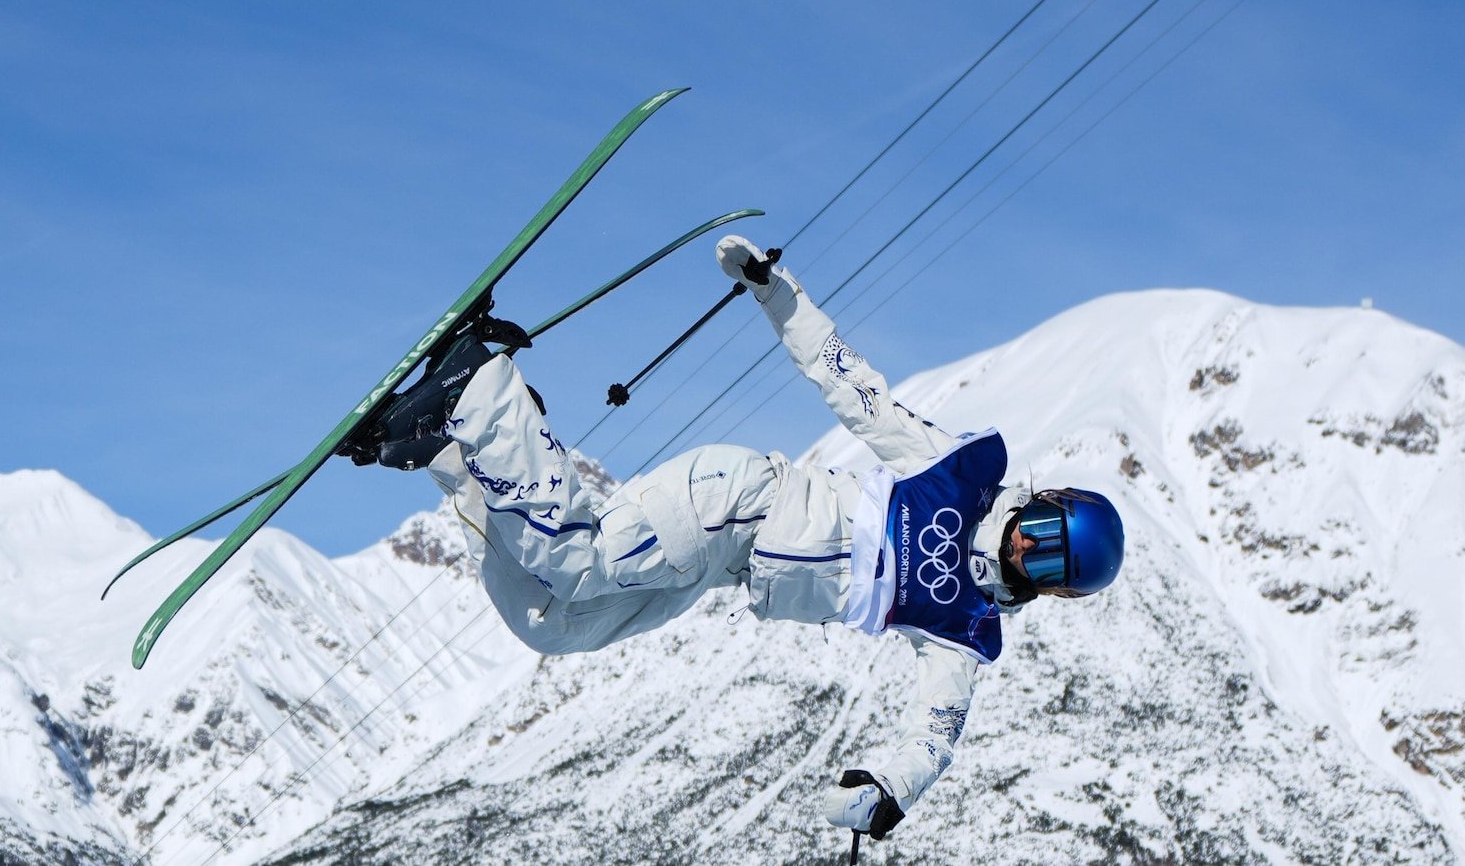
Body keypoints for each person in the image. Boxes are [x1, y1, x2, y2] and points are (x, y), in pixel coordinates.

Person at [341, 236, 1125, 842]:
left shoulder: (965, 628)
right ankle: (481, 382)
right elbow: (848, 382)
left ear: (1056, 591)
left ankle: (449, 453)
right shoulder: (956, 475)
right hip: (737, 501)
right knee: (576, 565)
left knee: (556, 627)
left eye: (1053, 566)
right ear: (1045, 503)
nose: (1032, 553)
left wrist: (887, 791)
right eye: (1048, 533)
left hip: (721, 568)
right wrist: (777, 293)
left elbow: (935, 734)